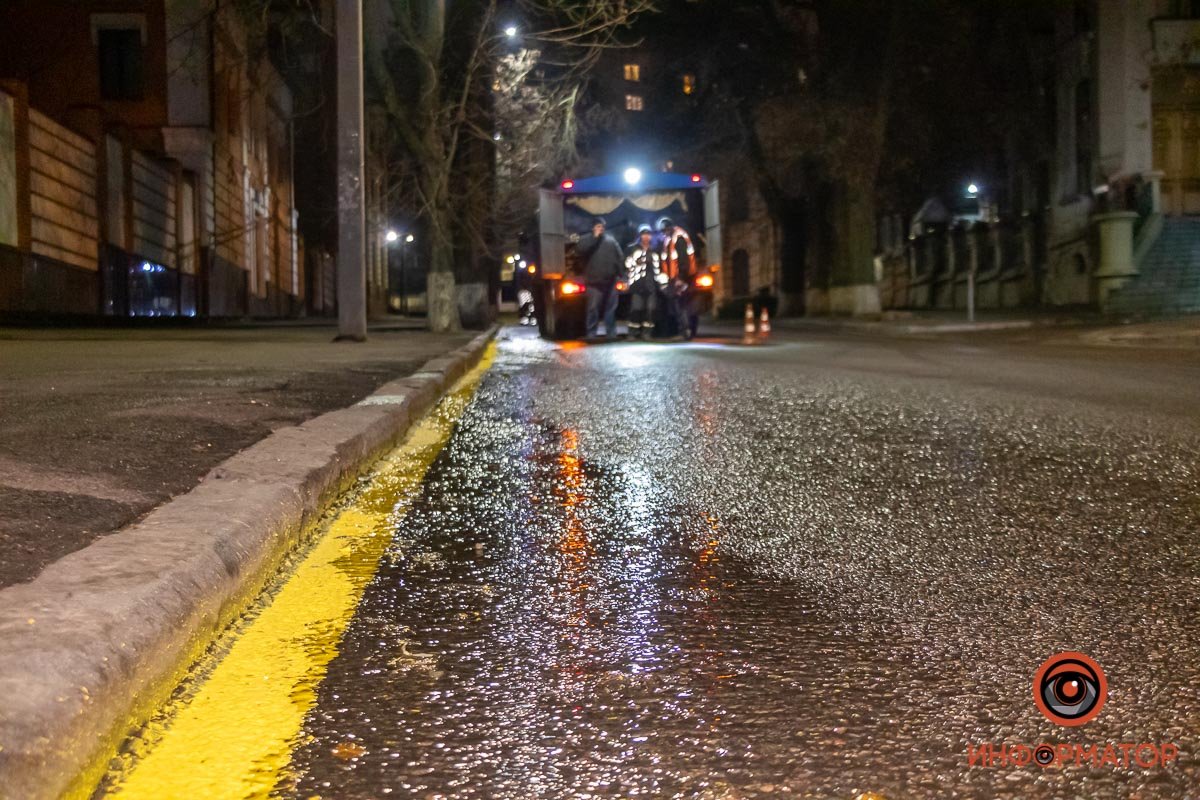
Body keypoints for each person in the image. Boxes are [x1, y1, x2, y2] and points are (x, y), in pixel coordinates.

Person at [575, 217, 625, 340]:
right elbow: (580, 251)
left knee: (610, 309)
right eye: (598, 226)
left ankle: (611, 334)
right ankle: (591, 334)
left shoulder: (611, 241)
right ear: (593, 228)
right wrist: (594, 238)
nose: (600, 228)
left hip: (610, 281)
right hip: (593, 282)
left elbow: (619, 257)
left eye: (602, 226)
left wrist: (622, 275)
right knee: (593, 308)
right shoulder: (585, 240)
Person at [657, 216, 697, 339]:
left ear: (669, 228)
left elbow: (683, 260)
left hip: (682, 278)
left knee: (681, 305)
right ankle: (683, 331)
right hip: (674, 278)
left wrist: (680, 278)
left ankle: (685, 331)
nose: (664, 234)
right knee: (677, 305)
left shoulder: (678, 238)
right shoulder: (669, 239)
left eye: (665, 231)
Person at [624, 225, 664, 340]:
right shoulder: (632, 249)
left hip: (651, 285)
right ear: (640, 236)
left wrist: (661, 283)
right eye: (643, 234)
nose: (646, 237)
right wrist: (636, 262)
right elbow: (626, 264)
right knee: (636, 309)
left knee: (651, 310)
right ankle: (632, 332)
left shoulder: (655, 251)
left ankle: (647, 333)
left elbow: (660, 268)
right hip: (637, 285)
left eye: (648, 234)